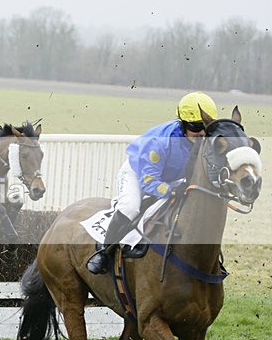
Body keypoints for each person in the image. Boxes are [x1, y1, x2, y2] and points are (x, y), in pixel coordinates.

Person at [86, 91, 218, 274]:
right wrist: (173, 191)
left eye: (206, 128)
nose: (202, 133)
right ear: (183, 124)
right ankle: (103, 252)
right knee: (130, 207)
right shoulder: (160, 142)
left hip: (171, 177)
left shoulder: (203, 139)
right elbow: (149, 183)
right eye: (196, 127)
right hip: (139, 173)